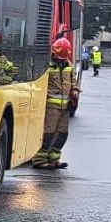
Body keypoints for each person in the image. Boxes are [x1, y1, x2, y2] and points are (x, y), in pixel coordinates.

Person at [32, 38, 74, 169]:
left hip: (65, 106)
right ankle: (39, 160)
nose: (61, 59)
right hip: (51, 106)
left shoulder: (68, 65)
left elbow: (73, 81)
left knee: (62, 134)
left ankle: (54, 158)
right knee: (48, 133)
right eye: (59, 57)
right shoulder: (46, 66)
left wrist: (76, 91)